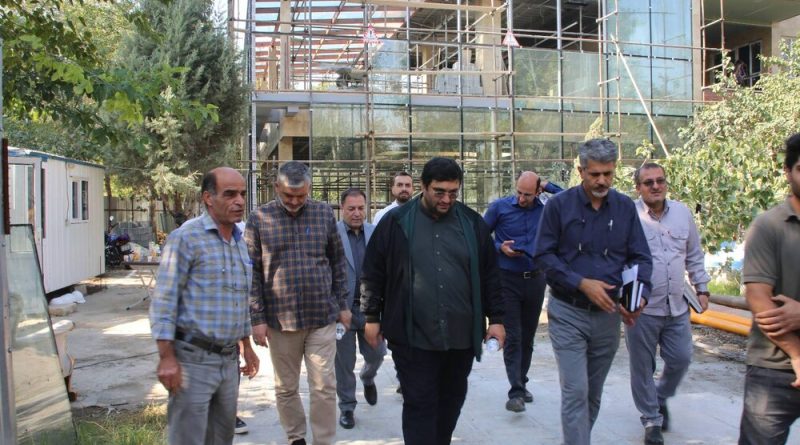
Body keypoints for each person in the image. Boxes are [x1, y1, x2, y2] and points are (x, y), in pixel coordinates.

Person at [361, 157, 505, 445]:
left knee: (451, 402)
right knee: (419, 403)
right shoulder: (396, 222)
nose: (446, 199)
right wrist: (372, 317)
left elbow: (491, 274)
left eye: (453, 192)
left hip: (460, 336)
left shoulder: (472, 224)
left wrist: (497, 319)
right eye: (439, 192)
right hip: (412, 335)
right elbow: (373, 271)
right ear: (423, 186)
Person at [534, 138, 652, 445]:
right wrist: (581, 282)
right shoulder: (559, 206)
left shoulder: (624, 208)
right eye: (595, 174)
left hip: (608, 315)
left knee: (593, 393)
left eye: (608, 174)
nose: (602, 181)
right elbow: (543, 255)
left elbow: (641, 257)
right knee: (576, 390)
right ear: (581, 171)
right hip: (567, 312)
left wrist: (639, 295)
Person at [150, 167, 259, 445]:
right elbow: (164, 301)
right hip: (193, 361)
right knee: (188, 439)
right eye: (230, 194)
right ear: (208, 198)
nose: (240, 201)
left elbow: (238, 299)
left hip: (229, 361)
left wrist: (246, 346)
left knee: (222, 438)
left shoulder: (239, 242)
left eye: (242, 194)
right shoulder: (186, 238)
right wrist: (166, 357)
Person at [246, 161, 350, 445]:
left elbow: (338, 261)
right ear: (276, 187)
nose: (294, 202)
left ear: (309, 189)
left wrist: (342, 304)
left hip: (321, 316)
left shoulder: (324, 213)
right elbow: (251, 272)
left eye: (301, 196)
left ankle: (324, 441)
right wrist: (257, 318)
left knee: (324, 386)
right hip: (280, 320)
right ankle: (296, 438)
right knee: (286, 387)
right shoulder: (259, 218)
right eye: (288, 195)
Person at [626, 162, 711, 445]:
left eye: (660, 180)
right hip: (641, 308)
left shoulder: (682, 213)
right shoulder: (629, 216)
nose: (655, 186)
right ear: (638, 188)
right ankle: (651, 419)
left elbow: (694, 254)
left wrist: (702, 287)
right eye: (648, 182)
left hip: (677, 305)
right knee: (642, 367)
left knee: (681, 358)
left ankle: (660, 396)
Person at [483, 170, 563, 413]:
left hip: (536, 279)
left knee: (528, 336)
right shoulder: (500, 208)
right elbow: (479, 237)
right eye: (518, 192)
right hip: (506, 279)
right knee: (514, 336)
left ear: (538, 191)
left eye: (527, 194)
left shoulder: (546, 208)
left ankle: (522, 382)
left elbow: (569, 198)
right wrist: (500, 247)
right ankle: (516, 391)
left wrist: (548, 185)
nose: (521, 198)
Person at [738, 132, 800, 445]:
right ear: (788, 172)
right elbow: (761, 302)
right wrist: (797, 355)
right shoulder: (769, 226)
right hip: (774, 368)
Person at [334, 188, 386, 429]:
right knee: (343, 363)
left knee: (377, 354)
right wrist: (336, 307)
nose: (356, 213)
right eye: (351, 208)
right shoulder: (331, 234)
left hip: (370, 311)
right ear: (341, 208)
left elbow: (385, 272)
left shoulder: (376, 233)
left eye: (360, 208)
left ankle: (368, 376)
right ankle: (347, 407)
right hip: (341, 311)